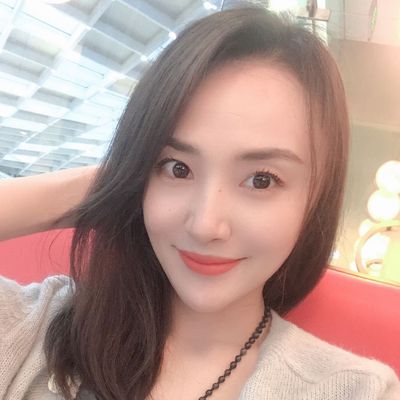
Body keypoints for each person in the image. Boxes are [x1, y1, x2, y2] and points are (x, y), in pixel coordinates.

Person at [0, 4, 399, 400]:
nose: (206, 225)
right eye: (176, 168)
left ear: (315, 196)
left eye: (261, 180)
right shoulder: (34, 328)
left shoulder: (359, 391)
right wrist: (113, 183)